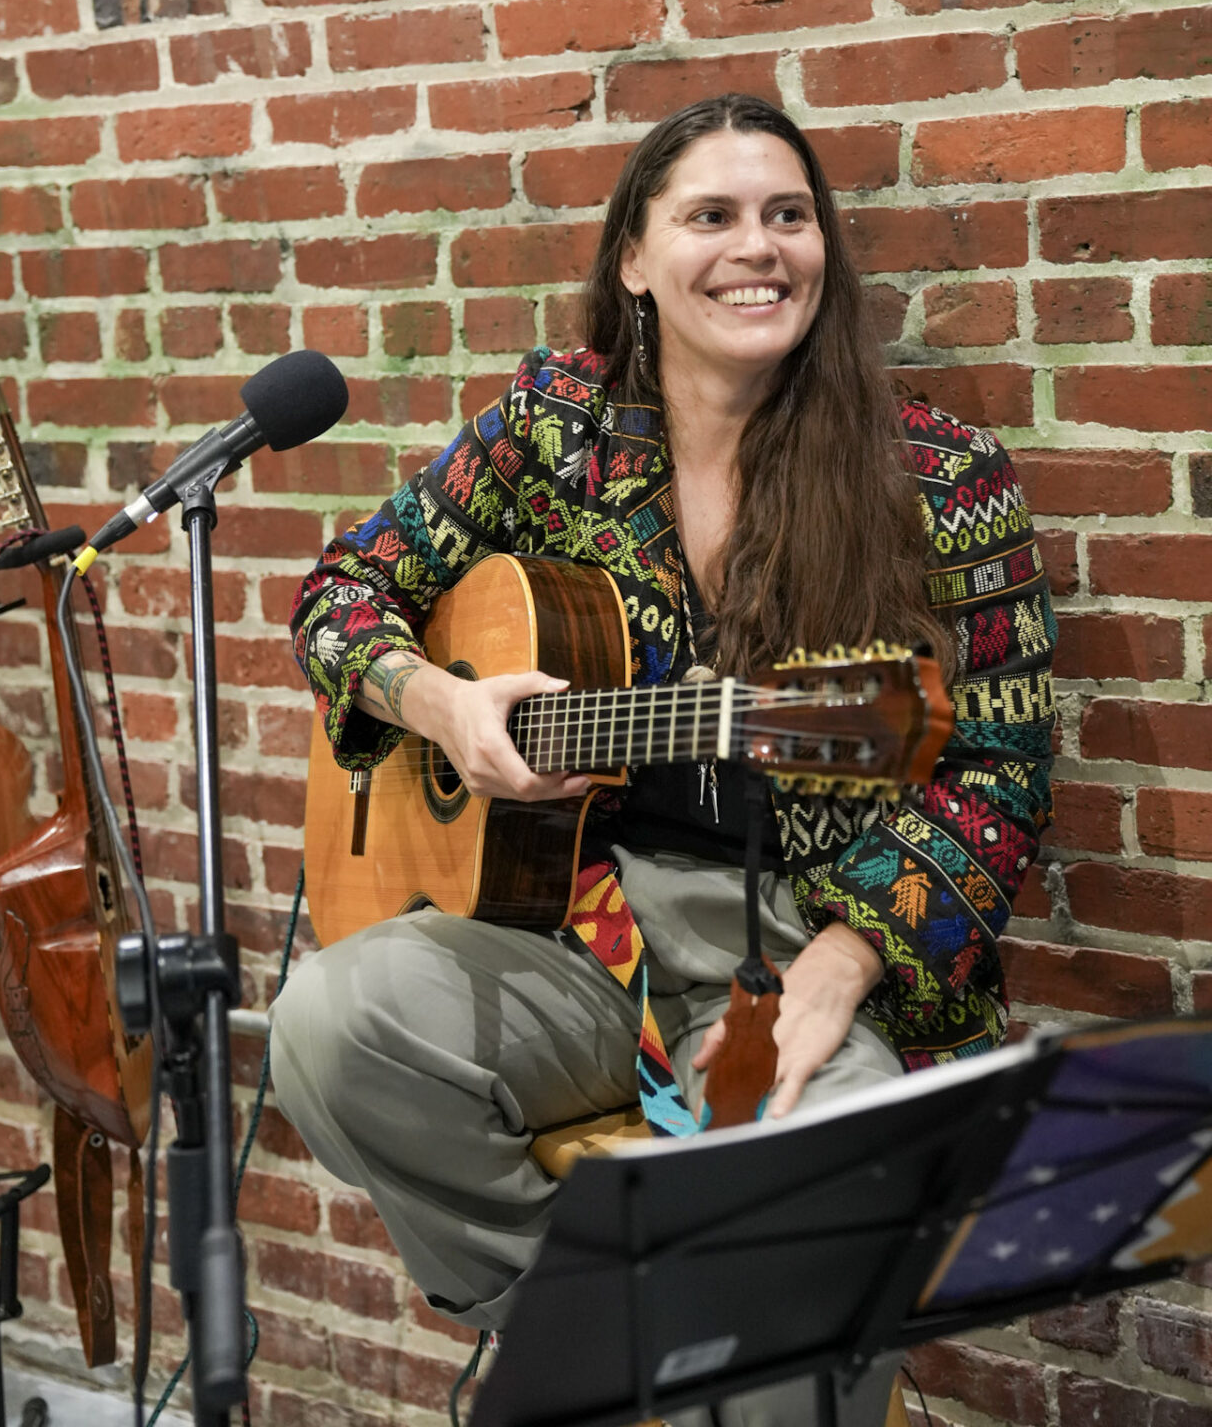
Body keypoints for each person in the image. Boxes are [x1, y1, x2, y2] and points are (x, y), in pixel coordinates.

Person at [271, 93, 1056, 1426]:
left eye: (788, 215)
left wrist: (847, 958)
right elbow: (344, 592)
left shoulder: (939, 475)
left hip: (800, 948)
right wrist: (440, 709)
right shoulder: (556, 425)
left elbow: (999, 771)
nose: (758, 247)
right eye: (712, 215)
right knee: (330, 1023)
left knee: (821, 1199)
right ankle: (615, 1326)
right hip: (579, 937)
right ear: (634, 258)